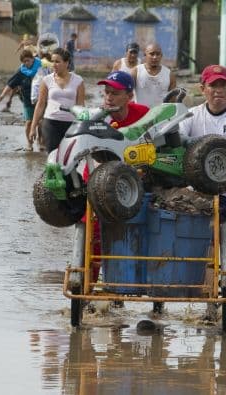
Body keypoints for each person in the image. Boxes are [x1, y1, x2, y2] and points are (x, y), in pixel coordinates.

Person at [178, 65, 226, 282]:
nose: (218, 90)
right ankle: (210, 301)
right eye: (213, 85)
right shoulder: (191, 115)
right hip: (202, 193)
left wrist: (203, 155)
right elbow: (179, 143)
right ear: (203, 88)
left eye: (223, 85)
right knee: (208, 248)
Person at [85, 70, 150, 283]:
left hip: (135, 182)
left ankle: (135, 284)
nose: (109, 97)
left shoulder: (144, 114)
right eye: (106, 92)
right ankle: (88, 288)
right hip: (100, 181)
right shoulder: (96, 118)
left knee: (145, 230)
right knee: (92, 235)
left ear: (129, 96)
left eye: (115, 93)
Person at [29, 47, 85, 153]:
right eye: (52, 61)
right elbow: (40, 105)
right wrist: (33, 128)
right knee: (53, 156)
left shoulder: (78, 81)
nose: (54, 64)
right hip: (51, 122)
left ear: (66, 63)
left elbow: (81, 105)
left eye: (57, 62)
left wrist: (82, 126)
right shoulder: (46, 80)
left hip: (71, 124)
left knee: (72, 157)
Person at [0, 49, 38, 151]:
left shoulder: (40, 68)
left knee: (41, 122)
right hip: (28, 100)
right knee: (29, 122)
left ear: (33, 59)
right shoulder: (21, 71)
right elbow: (11, 84)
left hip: (41, 100)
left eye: (28, 60)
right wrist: (2, 95)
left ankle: (41, 141)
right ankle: (29, 143)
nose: (26, 63)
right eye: (24, 61)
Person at [131, 43, 176, 108]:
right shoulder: (136, 72)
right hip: (141, 115)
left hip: (161, 115)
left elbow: (173, 101)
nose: (155, 57)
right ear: (145, 55)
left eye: (158, 54)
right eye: (152, 54)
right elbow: (127, 94)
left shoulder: (170, 75)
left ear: (161, 55)